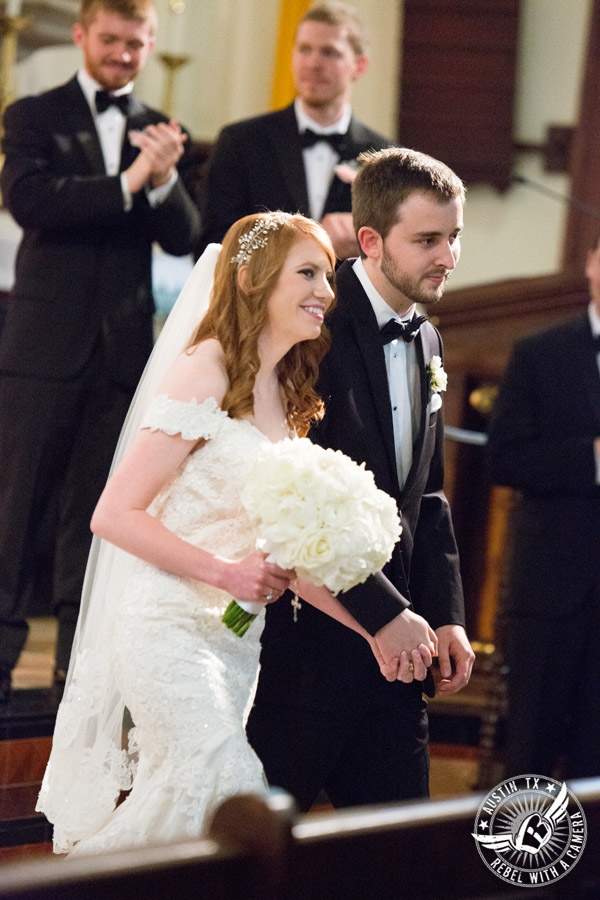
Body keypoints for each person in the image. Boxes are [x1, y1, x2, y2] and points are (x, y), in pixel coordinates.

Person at [36, 211, 425, 855]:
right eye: (307, 273)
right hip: (165, 626)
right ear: (251, 279)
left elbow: (292, 559)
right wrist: (227, 573)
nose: (326, 291)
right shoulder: (205, 368)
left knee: (187, 806)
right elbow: (113, 514)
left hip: (233, 641)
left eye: (328, 276)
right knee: (223, 785)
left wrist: (376, 630)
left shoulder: (285, 392)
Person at [247, 148, 475, 811]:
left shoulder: (426, 339)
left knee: (396, 861)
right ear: (371, 240)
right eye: (428, 239)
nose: (448, 256)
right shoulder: (306, 327)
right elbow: (292, 499)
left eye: (454, 236)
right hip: (303, 658)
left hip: (400, 664)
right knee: (260, 862)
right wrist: (382, 617)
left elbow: (426, 495)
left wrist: (447, 616)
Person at [0, 0, 201, 703]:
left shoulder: (160, 131)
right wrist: (129, 184)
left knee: (97, 514)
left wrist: (168, 177)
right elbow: (32, 203)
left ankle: (75, 673)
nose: (122, 53)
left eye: (135, 43)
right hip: (43, 349)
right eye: (110, 39)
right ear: (83, 35)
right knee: (14, 511)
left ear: (150, 45)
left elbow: (185, 236)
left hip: (121, 355)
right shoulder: (33, 115)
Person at [487, 235, 600, 780]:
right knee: (529, 745)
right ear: (591, 261)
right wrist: (593, 461)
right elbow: (504, 458)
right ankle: (517, 864)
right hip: (552, 586)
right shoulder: (541, 352)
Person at [197, 1, 390, 260]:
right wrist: (312, 246)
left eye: (329, 52)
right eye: (304, 49)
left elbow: (397, 258)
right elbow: (214, 247)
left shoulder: (385, 157)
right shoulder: (241, 142)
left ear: (360, 65)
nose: (313, 63)